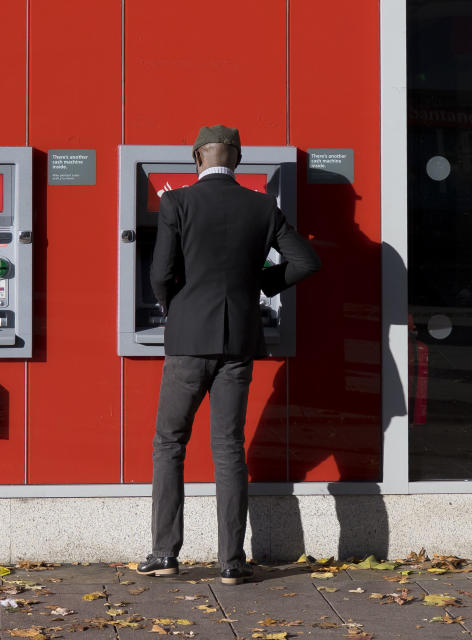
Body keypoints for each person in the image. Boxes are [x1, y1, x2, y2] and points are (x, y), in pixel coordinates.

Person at [136, 125, 321, 585]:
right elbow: (306, 262)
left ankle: (165, 553)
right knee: (228, 448)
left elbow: (160, 272)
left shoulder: (177, 202)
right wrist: (261, 284)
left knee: (169, 443)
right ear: (236, 159)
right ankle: (232, 562)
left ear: (197, 156)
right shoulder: (262, 207)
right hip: (239, 341)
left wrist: (173, 306)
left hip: (187, 342)